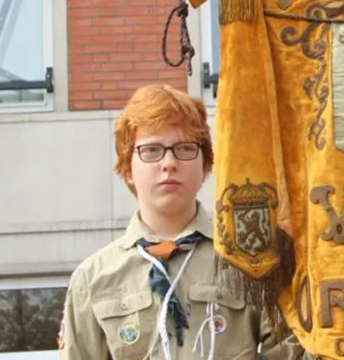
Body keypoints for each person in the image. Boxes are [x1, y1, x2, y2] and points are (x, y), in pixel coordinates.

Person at [58, 83, 302, 360]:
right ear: (127, 169)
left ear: (206, 165)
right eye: (151, 150)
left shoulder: (251, 260)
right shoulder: (92, 279)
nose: (169, 163)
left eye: (185, 148)